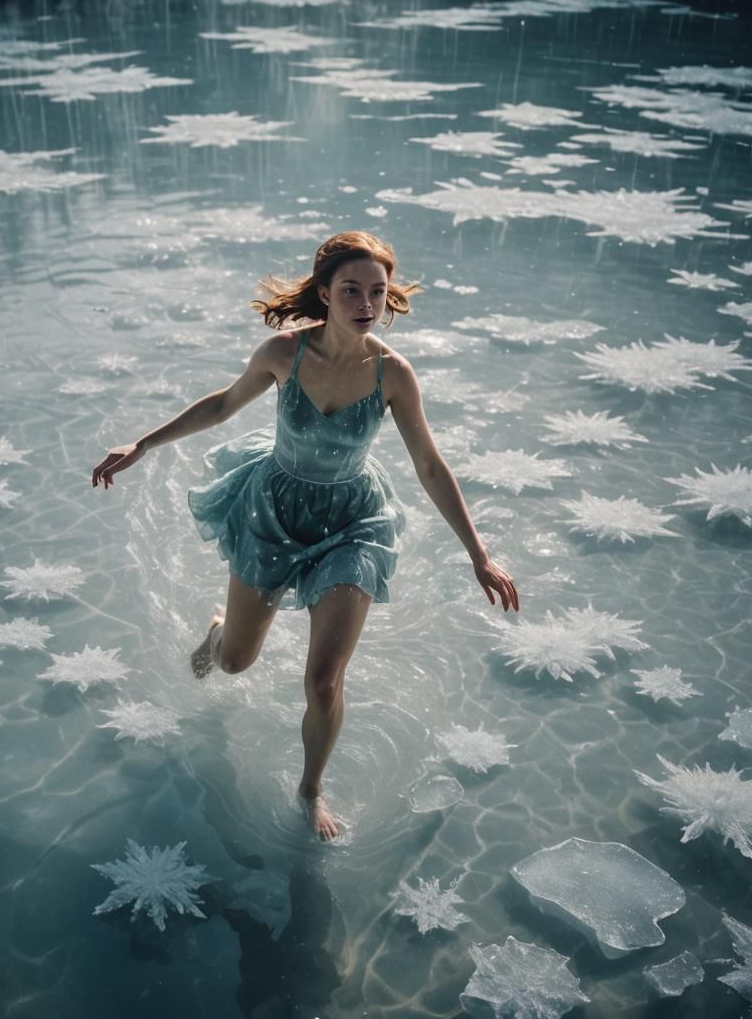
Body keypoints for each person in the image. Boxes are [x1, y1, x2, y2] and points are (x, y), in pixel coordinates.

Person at [92, 231, 519, 841]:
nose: (366, 303)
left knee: (323, 680)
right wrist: (143, 442)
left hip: (353, 523)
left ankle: (310, 791)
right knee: (235, 662)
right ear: (324, 293)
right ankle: (218, 633)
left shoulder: (394, 375)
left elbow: (429, 464)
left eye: (377, 291)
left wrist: (479, 553)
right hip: (274, 510)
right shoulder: (284, 353)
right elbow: (222, 406)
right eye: (351, 290)